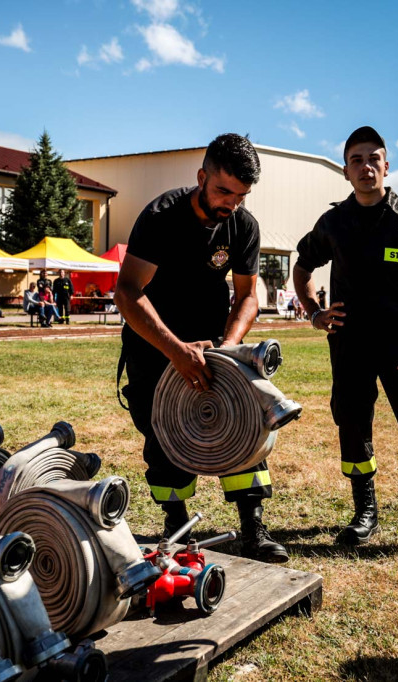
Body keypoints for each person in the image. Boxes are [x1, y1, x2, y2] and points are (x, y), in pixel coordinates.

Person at [114, 133, 287, 564]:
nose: (231, 203)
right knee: (165, 439)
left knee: (244, 427)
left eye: (241, 195)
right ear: (201, 177)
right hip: (156, 346)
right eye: (223, 190)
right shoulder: (160, 217)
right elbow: (128, 292)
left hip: (213, 345)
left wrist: (229, 348)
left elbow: (248, 296)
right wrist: (174, 350)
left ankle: (253, 528)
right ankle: (175, 526)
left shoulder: (243, 225)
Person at [292, 126, 398, 545]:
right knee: (353, 423)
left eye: (373, 159)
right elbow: (302, 267)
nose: (365, 167)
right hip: (348, 341)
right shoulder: (333, 223)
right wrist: (315, 312)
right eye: (356, 160)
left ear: (386, 166)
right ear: (345, 171)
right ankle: (365, 511)